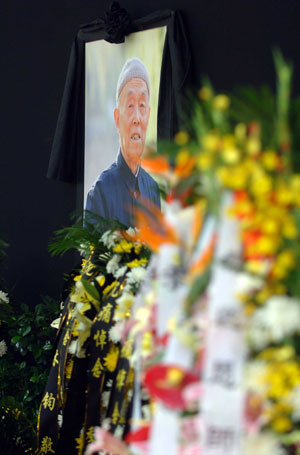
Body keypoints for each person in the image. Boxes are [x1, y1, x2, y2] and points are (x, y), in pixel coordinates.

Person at [85, 57, 161, 228]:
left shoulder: (153, 190)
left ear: (148, 116)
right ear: (117, 119)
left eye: (142, 105)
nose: (137, 118)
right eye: (130, 106)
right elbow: (91, 254)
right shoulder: (100, 192)